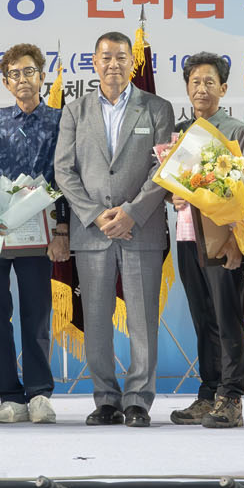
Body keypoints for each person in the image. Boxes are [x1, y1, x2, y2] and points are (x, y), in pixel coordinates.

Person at [53, 30, 175, 427]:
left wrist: (132, 213)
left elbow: (163, 168)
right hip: (92, 232)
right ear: (94, 62)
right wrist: (95, 215)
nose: (113, 64)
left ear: (132, 62)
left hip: (141, 228)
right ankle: (105, 399)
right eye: (106, 57)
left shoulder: (157, 108)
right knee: (96, 320)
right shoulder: (75, 111)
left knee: (142, 320)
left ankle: (138, 400)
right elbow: (64, 171)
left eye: (121, 57)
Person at [0, 42, 67, 424]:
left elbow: (66, 177)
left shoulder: (60, 120)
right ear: (6, 82)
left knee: (37, 312)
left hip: (40, 231)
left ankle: (40, 393)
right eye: (14, 74)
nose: (22, 79)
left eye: (29, 72)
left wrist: (62, 227)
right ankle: (9, 396)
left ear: (42, 77)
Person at [167, 53, 244, 428]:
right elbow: (170, 182)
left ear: (224, 88)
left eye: (209, 82)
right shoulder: (179, 131)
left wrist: (235, 240)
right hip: (187, 236)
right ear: (187, 88)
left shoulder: (235, 130)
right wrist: (173, 194)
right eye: (195, 82)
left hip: (222, 237)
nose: (201, 89)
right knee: (203, 318)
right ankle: (208, 392)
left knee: (227, 317)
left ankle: (231, 397)